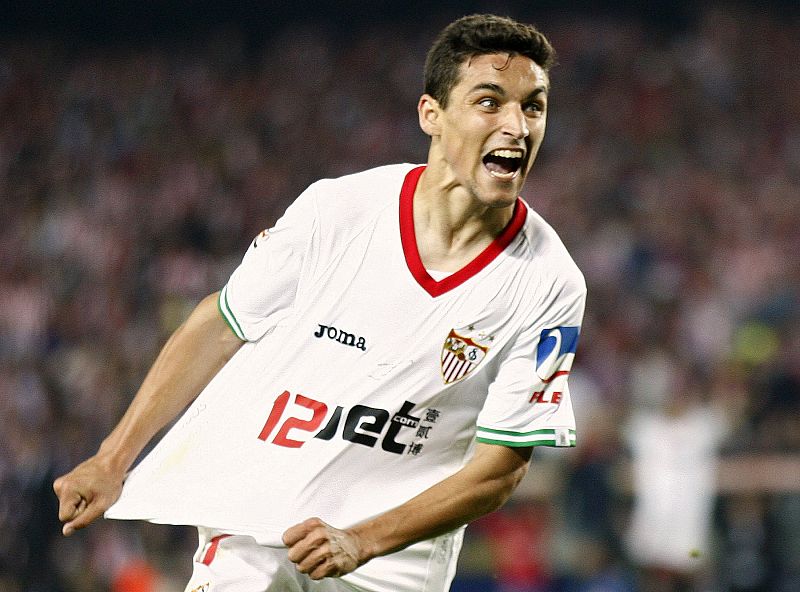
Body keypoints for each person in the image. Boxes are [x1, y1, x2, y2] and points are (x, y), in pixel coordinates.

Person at [54, 14, 586, 592]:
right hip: (257, 522)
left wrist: (362, 540)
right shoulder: (338, 210)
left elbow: (499, 471)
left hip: (393, 562)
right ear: (431, 114)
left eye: (533, 107)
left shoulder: (549, 283)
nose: (517, 125)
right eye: (489, 102)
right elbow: (222, 324)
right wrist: (112, 458)